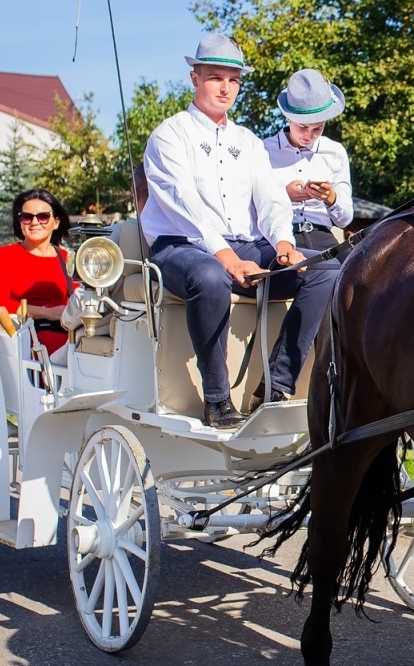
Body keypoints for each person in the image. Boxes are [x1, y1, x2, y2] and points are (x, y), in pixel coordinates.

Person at [140, 32, 337, 429]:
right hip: (180, 247)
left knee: (325, 272)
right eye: (215, 78)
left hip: (244, 244)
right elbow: (184, 206)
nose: (225, 87)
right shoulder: (169, 136)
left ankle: (277, 385)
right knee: (210, 277)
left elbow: (270, 200)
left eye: (233, 80)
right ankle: (217, 401)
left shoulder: (247, 142)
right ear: (195, 79)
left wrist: (283, 243)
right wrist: (226, 257)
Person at [265, 69, 354, 252]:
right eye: (303, 126)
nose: (308, 136)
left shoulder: (335, 152)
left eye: (317, 128)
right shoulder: (262, 151)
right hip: (277, 240)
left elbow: (345, 220)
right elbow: (247, 212)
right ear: (288, 117)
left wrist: (330, 197)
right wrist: (284, 196)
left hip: (324, 238)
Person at [0, 188, 76, 355]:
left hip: (68, 334)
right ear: (20, 223)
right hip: (25, 336)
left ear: (55, 222)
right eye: (27, 217)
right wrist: (47, 313)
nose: (34, 222)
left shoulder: (65, 258)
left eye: (43, 216)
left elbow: (76, 298)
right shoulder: (5, 255)